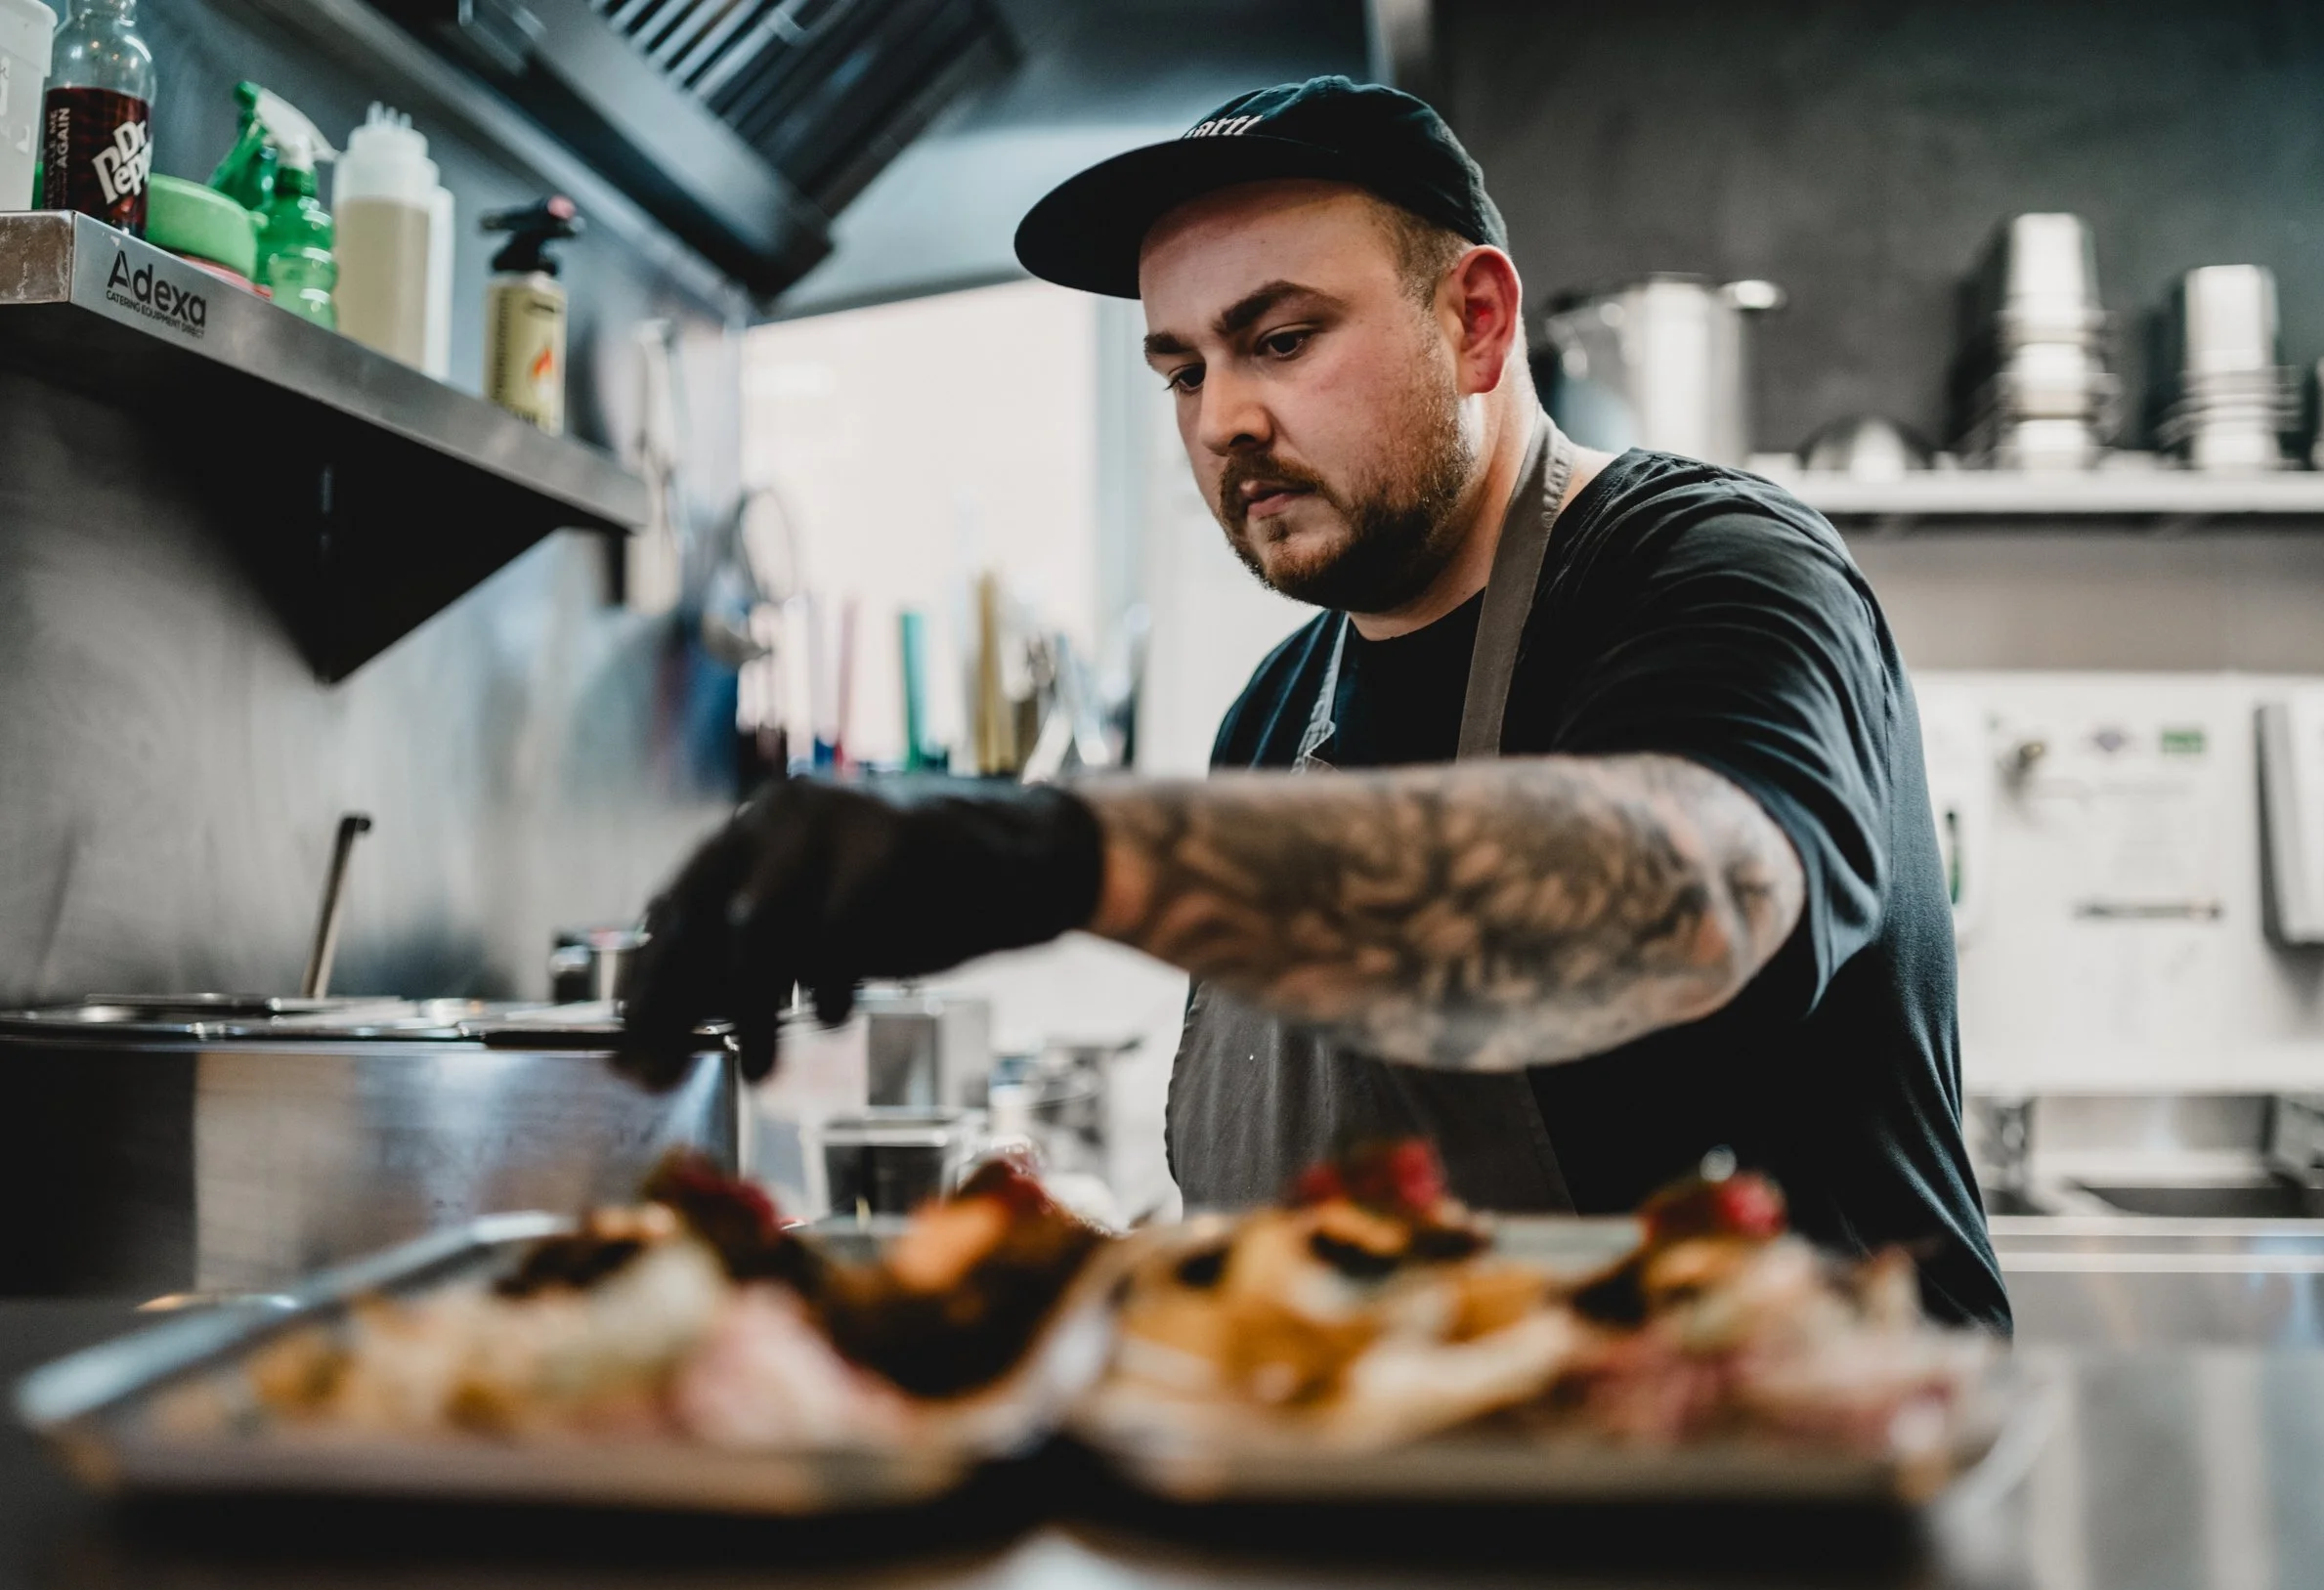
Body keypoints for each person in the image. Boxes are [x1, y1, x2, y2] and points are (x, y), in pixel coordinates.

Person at [622, 77, 2009, 1330]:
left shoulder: (1713, 571)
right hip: (1437, 1507)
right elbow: (1351, 1227)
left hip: (1784, 1512)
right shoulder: (1278, 715)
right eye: (1182, 369)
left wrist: (1058, 848)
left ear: (1474, 321)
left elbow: (1693, 890)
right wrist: (1127, 1269)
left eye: (1278, 339)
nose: (1221, 416)